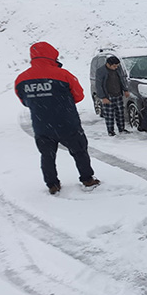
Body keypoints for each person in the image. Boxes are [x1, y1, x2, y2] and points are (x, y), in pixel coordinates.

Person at [14, 41, 100, 194]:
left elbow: (24, 101)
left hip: (41, 126)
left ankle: (52, 184)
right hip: (68, 123)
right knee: (80, 152)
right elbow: (79, 96)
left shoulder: (21, 79)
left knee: (47, 156)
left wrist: (41, 102)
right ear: (52, 55)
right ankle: (87, 179)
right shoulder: (64, 75)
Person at [95, 55, 131, 135]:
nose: (116, 67)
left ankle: (121, 129)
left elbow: (122, 79)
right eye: (114, 66)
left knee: (120, 113)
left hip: (118, 94)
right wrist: (103, 97)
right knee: (109, 115)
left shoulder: (118, 69)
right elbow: (98, 85)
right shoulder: (101, 71)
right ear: (108, 64)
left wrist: (125, 90)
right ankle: (111, 131)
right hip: (108, 96)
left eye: (117, 66)